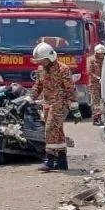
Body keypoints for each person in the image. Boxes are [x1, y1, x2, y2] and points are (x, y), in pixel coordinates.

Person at [30, 41, 77, 172]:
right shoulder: (41, 70)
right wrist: (30, 98)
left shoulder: (63, 69)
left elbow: (70, 89)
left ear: (49, 57)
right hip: (47, 104)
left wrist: (74, 106)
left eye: (42, 60)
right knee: (57, 131)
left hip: (60, 104)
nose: (40, 63)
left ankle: (49, 160)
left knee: (50, 129)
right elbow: (38, 86)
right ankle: (62, 161)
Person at [89, 43, 105, 126]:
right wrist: (98, 78)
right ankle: (96, 118)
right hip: (94, 85)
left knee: (103, 102)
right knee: (96, 103)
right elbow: (90, 72)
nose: (101, 55)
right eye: (100, 53)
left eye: (103, 53)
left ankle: (103, 118)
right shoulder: (91, 60)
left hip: (104, 83)